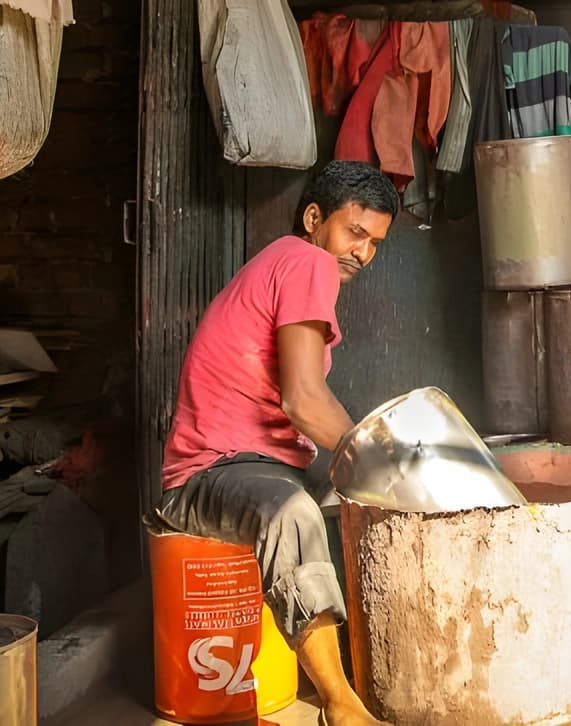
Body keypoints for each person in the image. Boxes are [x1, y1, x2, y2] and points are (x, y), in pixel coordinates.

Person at [157, 160, 397, 726]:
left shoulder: (286, 264)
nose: (363, 253)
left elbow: (307, 408)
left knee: (355, 500)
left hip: (257, 462)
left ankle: (352, 673)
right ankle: (341, 706)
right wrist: (391, 468)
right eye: (355, 232)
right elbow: (304, 402)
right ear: (315, 218)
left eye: (375, 243)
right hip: (208, 473)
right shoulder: (305, 260)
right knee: (293, 513)